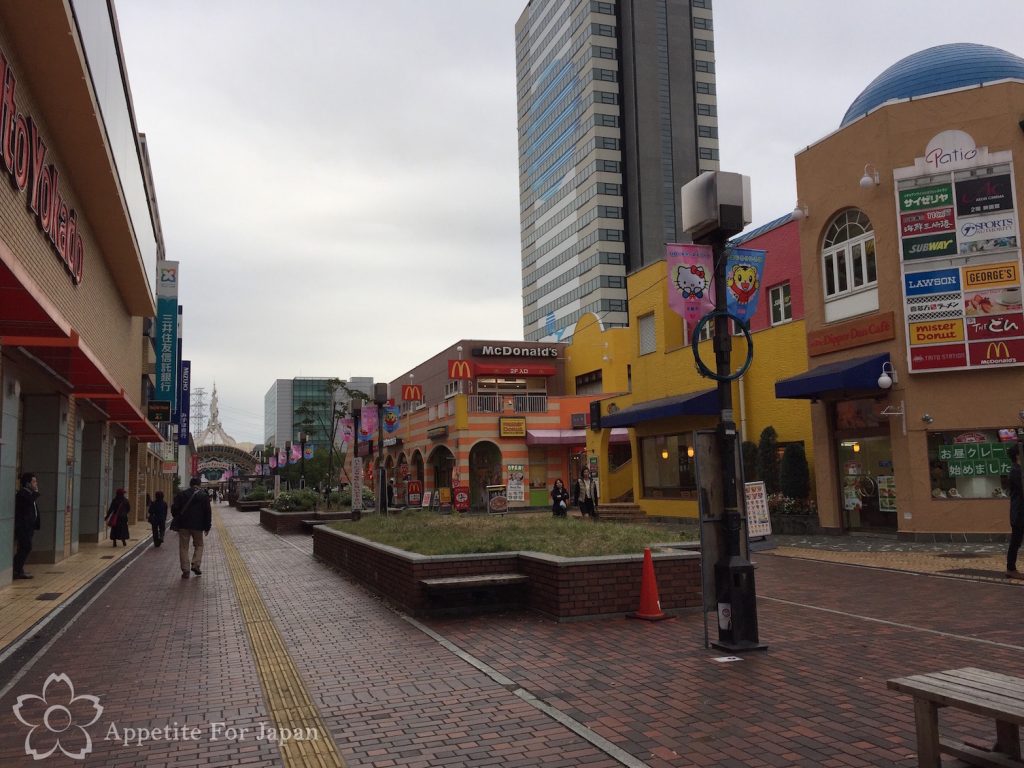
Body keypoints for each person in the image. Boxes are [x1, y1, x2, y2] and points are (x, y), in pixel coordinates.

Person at [171, 478, 212, 579]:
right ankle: (196, 564)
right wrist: (207, 526)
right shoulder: (204, 496)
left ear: (190, 484)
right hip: (198, 525)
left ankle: (185, 570)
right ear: (199, 484)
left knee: (183, 547)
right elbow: (208, 512)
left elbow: (174, 508)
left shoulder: (182, 494)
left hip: (183, 525)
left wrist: (178, 517)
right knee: (199, 545)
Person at [13, 472, 41, 579]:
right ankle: (16, 568)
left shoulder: (29, 494)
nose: (36, 484)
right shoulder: (23, 494)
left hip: (29, 527)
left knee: (25, 548)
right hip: (23, 527)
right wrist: (35, 494)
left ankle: (18, 569)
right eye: (34, 482)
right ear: (27, 483)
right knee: (26, 547)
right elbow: (28, 504)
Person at [1006, 444, 1023, 579]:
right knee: (1016, 541)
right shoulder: (1016, 472)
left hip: (1019, 512)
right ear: (1018, 455)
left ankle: (1011, 568)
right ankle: (1011, 569)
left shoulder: (1019, 470)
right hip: (1019, 513)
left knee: (1016, 541)